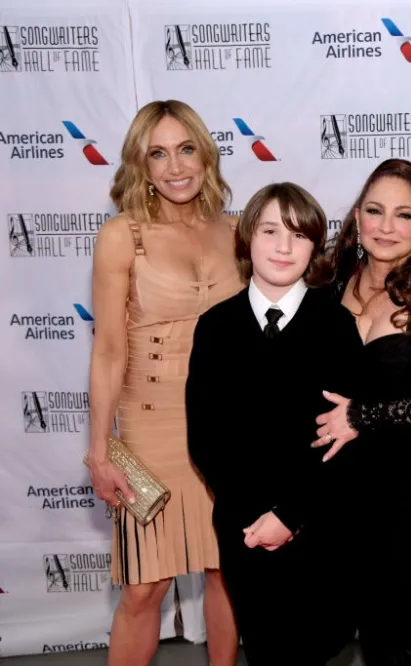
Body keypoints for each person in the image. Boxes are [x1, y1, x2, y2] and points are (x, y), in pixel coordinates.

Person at [86, 100, 240, 666]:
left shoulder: (235, 231)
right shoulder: (122, 235)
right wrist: (99, 450)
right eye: (158, 153)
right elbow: (106, 351)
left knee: (229, 571)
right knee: (145, 587)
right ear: (141, 165)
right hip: (151, 426)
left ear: (205, 154)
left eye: (186, 149)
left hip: (225, 425)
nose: (175, 166)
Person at [186, 182, 359, 664]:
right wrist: (256, 517)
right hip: (245, 528)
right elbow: (205, 436)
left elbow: (341, 438)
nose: (283, 247)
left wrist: (290, 516)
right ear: (246, 239)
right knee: (264, 649)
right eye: (269, 231)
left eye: (298, 235)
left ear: (314, 247)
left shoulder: (336, 326)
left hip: (319, 526)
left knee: (314, 648)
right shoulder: (216, 326)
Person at [313, 158, 411, 665]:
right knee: (358, 612)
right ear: (357, 216)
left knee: (407, 610)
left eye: (404, 215)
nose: (387, 227)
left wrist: (362, 417)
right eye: (375, 211)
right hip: (344, 480)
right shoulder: (329, 285)